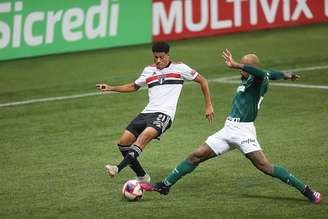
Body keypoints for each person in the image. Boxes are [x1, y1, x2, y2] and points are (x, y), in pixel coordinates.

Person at [147, 49, 321, 204]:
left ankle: (307, 190)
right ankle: (165, 185)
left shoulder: (259, 80)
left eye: (244, 66)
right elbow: (270, 73)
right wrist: (285, 74)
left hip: (244, 131)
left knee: (265, 166)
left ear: (250, 68)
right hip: (228, 129)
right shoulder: (253, 78)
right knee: (195, 156)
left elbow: (262, 73)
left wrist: (237, 64)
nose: (241, 70)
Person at [96, 42, 214, 182]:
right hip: (146, 113)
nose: (158, 60)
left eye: (161, 57)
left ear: (167, 55)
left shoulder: (179, 68)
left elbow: (203, 81)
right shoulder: (148, 70)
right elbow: (134, 86)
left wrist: (208, 105)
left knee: (142, 139)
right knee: (123, 143)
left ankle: (117, 168)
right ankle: (142, 176)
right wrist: (110, 88)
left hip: (164, 115)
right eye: (155, 57)